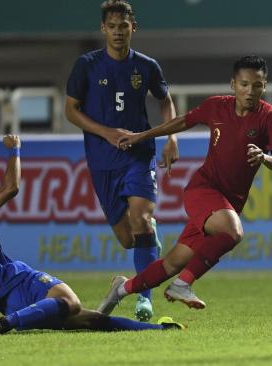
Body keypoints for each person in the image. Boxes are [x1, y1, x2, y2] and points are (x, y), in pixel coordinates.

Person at [0, 135, 184, 335]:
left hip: (6, 302)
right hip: (19, 281)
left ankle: (159, 331)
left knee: (89, 319)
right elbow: (11, 187)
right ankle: (4, 325)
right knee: (69, 301)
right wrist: (14, 150)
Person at [96, 55, 272, 315]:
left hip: (228, 204)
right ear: (233, 84)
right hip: (203, 190)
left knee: (172, 263)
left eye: (257, 85)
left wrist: (265, 157)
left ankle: (121, 289)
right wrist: (142, 136)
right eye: (244, 84)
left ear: (264, 86)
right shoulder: (216, 106)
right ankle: (183, 284)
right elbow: (181, 121)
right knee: (233, 232)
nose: (250, 91)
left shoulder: (271, 117)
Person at [64, 0, 179, 321]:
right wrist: (106, 132)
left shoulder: (146, 66)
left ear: (133, 28)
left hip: (139, 155)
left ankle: (145, 299)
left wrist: (171, 136)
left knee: (141, 220)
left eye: (123, 26)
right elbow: (70, 110)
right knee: (129, 239)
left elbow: (165, 101)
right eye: (112, 27)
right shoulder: (86, 66)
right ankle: (144, 243)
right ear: (103, 29)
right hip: (102, 160)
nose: (117, 32)